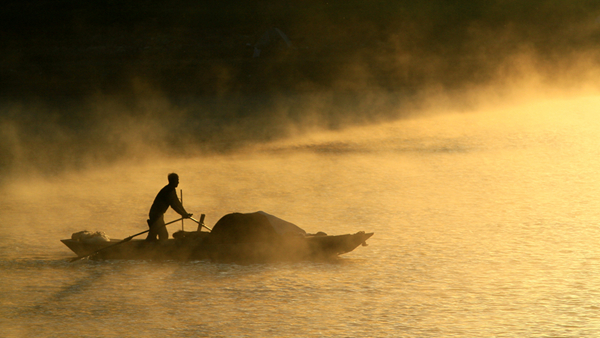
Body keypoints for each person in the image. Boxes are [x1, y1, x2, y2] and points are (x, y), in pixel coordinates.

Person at [146, 173, 192, 241]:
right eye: (177, 180)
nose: (178, 182)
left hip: (159, 215)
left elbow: (177, 202)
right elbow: (173, 205)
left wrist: (185, 213)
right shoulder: (167, 191)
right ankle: (148, 248)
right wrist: (183, 214)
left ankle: (148, 247)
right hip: (155, 215)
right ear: (172, 181)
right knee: (163, 235)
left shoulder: (172, 189)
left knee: (155, 234)